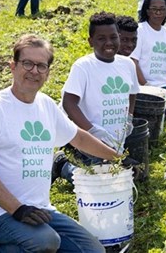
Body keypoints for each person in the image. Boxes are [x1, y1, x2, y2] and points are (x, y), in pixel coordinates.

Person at [0, 34, 121, 252]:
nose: (34, 71)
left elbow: (79, 137)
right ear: (13, 66)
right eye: (27, 63)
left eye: (41, 66)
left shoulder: (46, 105)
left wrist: (118, 157)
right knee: (45, 242)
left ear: (48, 72)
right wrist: (17, 209)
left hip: (40, 211)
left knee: (93, 250)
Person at [55, 12, 140, 185]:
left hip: (116, 138)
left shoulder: (127, 64)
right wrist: (92, 131)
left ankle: (110, 159)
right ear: (91, 41)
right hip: (89, 140)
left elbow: (132, 92)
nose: (109, 43)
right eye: (101, 38)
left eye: (113, 37)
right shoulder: (84, 67)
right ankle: (62, 164)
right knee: (100, 182)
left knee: (127, 177)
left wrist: (129, 117)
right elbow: (69, 103)